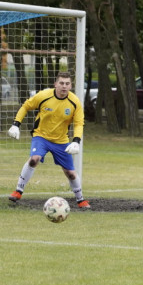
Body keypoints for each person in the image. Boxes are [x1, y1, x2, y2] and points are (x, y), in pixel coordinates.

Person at [7, 71, 88, 208]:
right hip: (41, 137)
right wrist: (16, 124)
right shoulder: (44, 95)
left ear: (70, 86)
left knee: (71, 173)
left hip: (61, 141)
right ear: (55, 84)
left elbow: (79, 123)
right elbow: (26, 106)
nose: (64, 86)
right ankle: (18, 191)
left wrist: (76, 141)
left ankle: (81, 200)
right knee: (34, 159)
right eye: (61, 83)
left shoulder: (74, 102)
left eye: (67, 84)